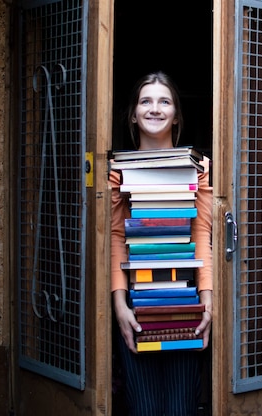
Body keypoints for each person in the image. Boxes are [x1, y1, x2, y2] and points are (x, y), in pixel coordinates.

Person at [110, 71, 213, 416]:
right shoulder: (117, 171)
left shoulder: (198, 168)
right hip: (136, 307)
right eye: (146, 101)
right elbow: (115, 237)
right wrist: (120, 306)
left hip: (185, 305)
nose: (155, 109)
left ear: (177, 115)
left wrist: (207, 303)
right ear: (133, 114)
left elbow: (201, 234)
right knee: (144, 409)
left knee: (182, 408)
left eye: (164, 101)